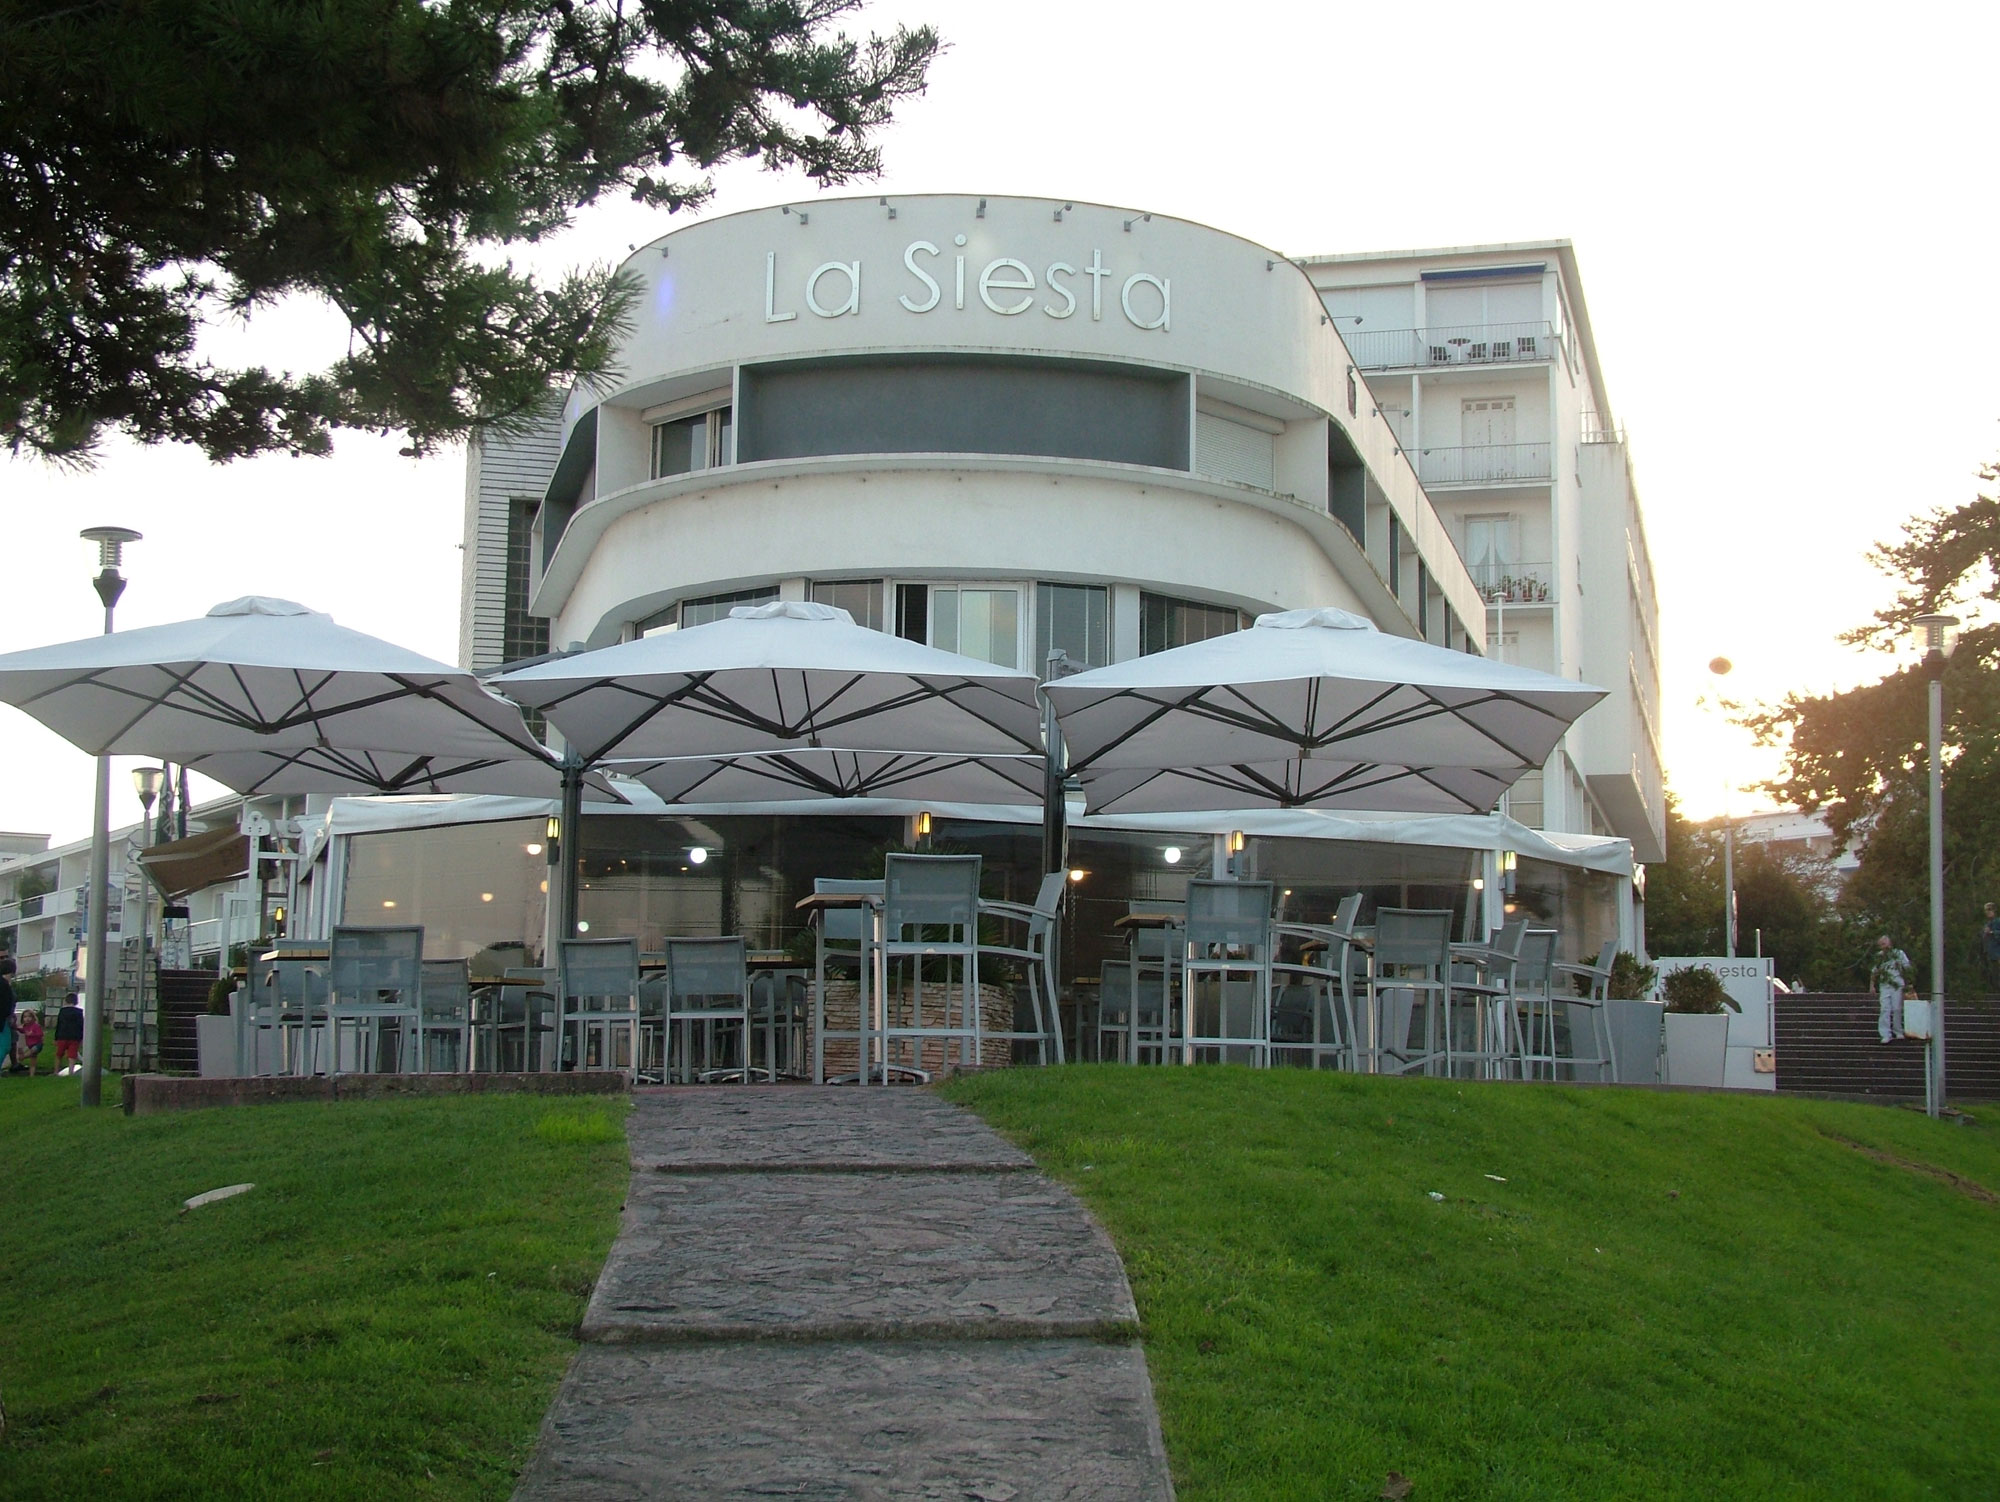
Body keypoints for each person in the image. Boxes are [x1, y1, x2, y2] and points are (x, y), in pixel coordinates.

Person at [1871, 934, 1913, 1044]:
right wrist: (1872, 986)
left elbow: (1907, 967)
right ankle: (1885, 1034)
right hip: (1884, 985)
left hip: (1897, 984)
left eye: (1884, 944)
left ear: (1889, 943)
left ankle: (1898, 1031)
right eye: (1881, 945)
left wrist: (1909, 982)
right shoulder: (1879, 956)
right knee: (1885, 1009)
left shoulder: (1898, 954)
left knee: (1897, 1008)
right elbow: (1874, 971)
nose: (1883, 946)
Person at [54, 992, 84, 1075]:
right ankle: (71, 1072)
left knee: (59, 1054)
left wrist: (56, 1038)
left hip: (62, 1036)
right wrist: (81, 1038)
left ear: (66, 1001)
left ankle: (56, 1071)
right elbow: (81, 1026)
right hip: (74, 1037)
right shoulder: (79, 1012)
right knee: (72, 1055)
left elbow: (59, 1025)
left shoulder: (62, 1011)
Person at [12, 1008, 42, 1076]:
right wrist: (15, 1027)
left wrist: (32, 1034)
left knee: (32, 1051)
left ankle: (23, 1056)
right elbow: (21, 1030)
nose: (27, 1019)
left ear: (33, 1018)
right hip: (30, 1045)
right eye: (25, 1017)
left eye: (29, 1016)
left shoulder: (35, 1026)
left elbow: (40, 1034)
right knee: (33, 1060)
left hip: (37, 1044)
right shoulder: (25, 1027)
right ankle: (32, 1075)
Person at [0, 956, 16, 1075]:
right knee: (5, 1045)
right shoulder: (4, 985)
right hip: (3, 1019)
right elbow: (6, 1003)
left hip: (4, 1018)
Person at [1982, 902, 2000, 991]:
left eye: (1990, 909)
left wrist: (1992, 932)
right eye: (1986, 910)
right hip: (1989, 954)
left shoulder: (1998, 921)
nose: (1987, 912)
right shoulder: (1987, 924)